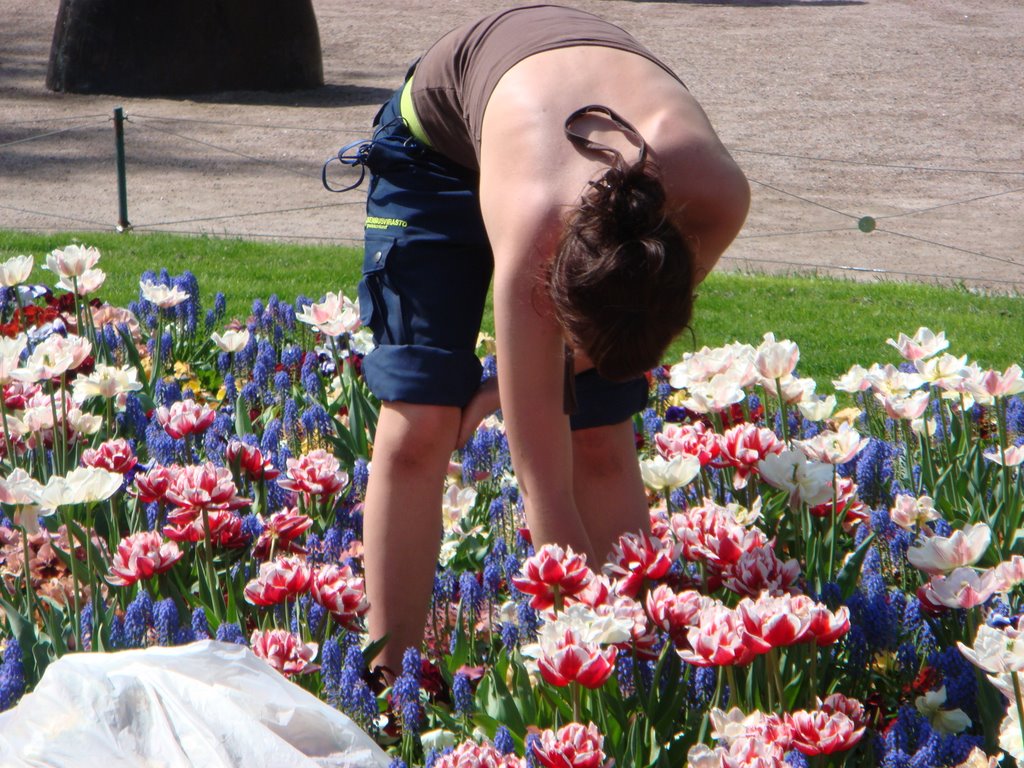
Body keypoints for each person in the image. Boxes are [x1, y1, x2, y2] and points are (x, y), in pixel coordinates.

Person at [329, 5, 750, 677]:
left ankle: (644, 668)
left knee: (601, 432)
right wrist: (581, 658)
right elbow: (543, 491)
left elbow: (615, 338)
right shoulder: (533, 226)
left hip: (552, 125)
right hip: (433, 152)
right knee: (422, 421)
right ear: (551, 290)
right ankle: (390, 681)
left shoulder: (715, 193)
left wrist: (512, 384)